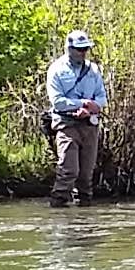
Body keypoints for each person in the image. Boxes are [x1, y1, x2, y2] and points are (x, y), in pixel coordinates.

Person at [45, 31, 106, 206]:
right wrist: (82, 104)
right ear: (69, 49)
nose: (83, 52)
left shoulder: (93, 70)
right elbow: (57, 101)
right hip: (66, 125)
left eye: (86, 49)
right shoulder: (56, 70)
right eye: (79, 49)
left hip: (89, 126)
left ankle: (84, 212)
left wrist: (91, 108)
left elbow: (102, 97)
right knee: (68, 170)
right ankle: (58, 205)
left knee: (86, 174)